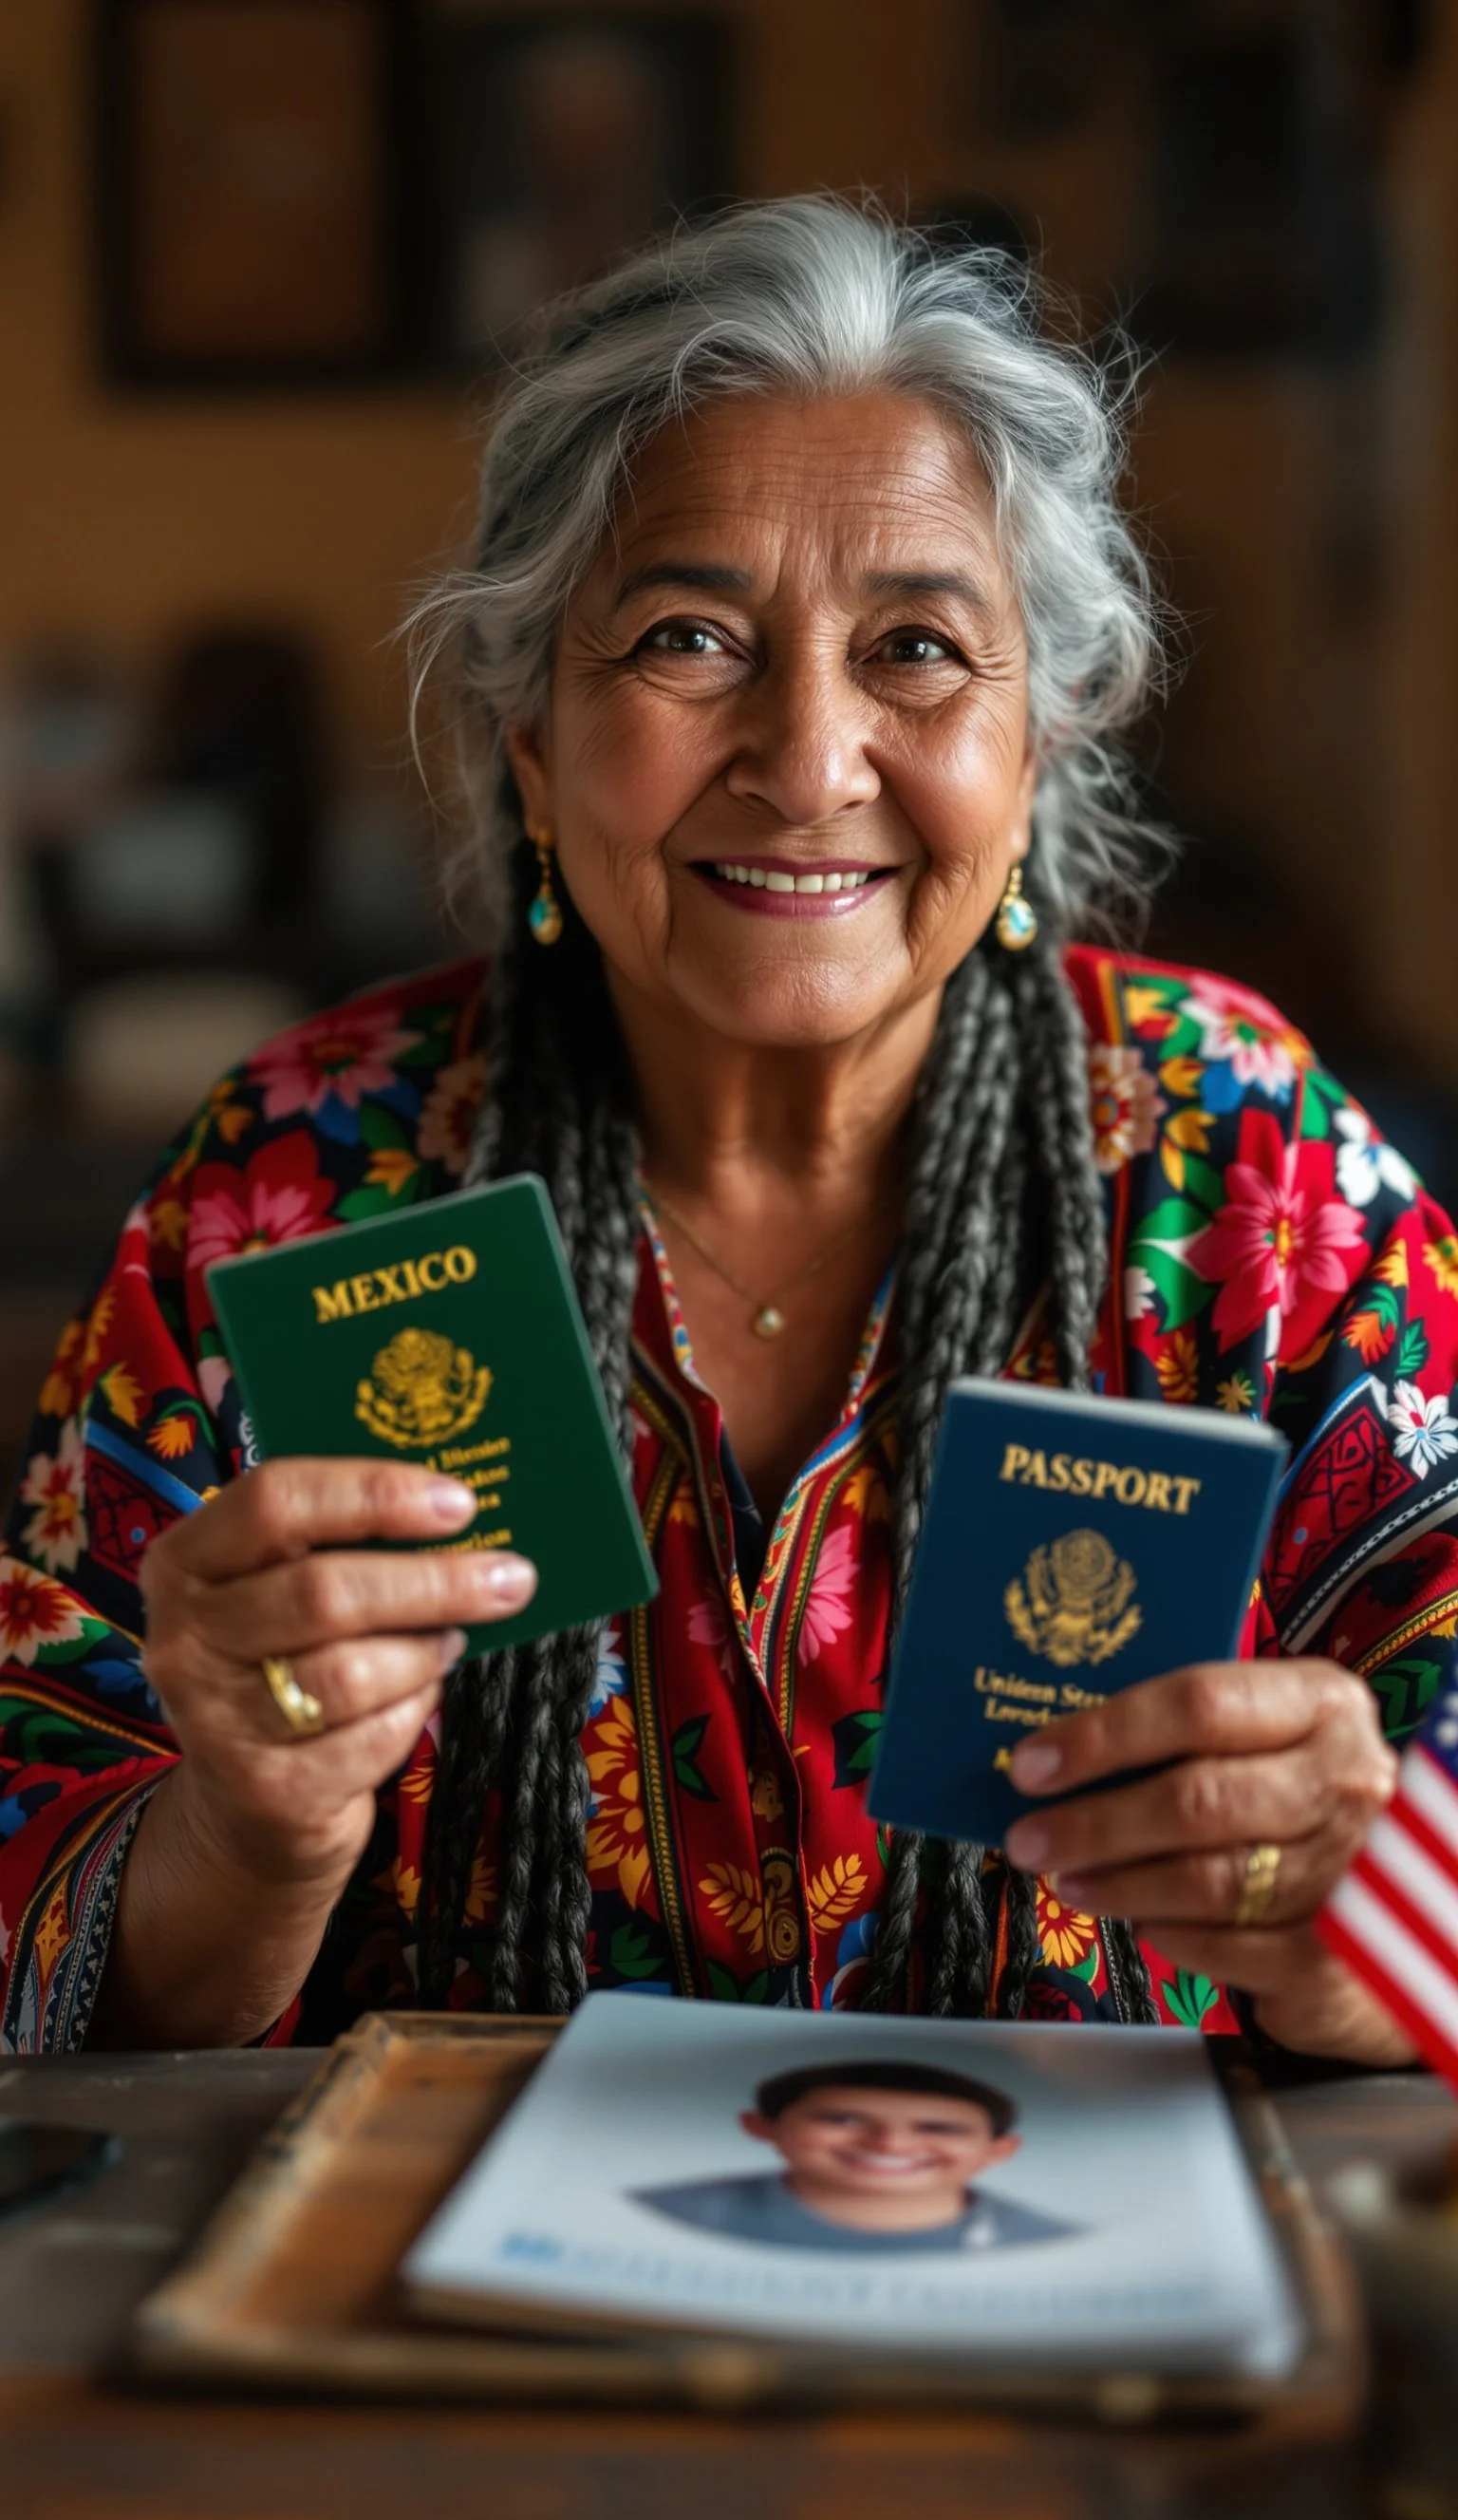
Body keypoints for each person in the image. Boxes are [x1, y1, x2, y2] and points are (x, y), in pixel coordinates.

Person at [1, 199, 1451, 2061]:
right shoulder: (290, 1182)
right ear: (534, 744)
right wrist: (245, 1831)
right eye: (690, 637)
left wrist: (1342, 1924)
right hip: (422, 2247)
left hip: (1091, 2242)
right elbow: (42, 1934)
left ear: (1038, 747)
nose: (810, 758)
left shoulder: (1245, 1164)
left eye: (917, 647)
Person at [635, 2059, 1073, 2253]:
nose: (890, 2145)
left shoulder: (1053, 2243)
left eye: (938, 2128)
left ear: (1000, 2150)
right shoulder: (658, 2215)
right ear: (760, 2126)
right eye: (844, 2119)